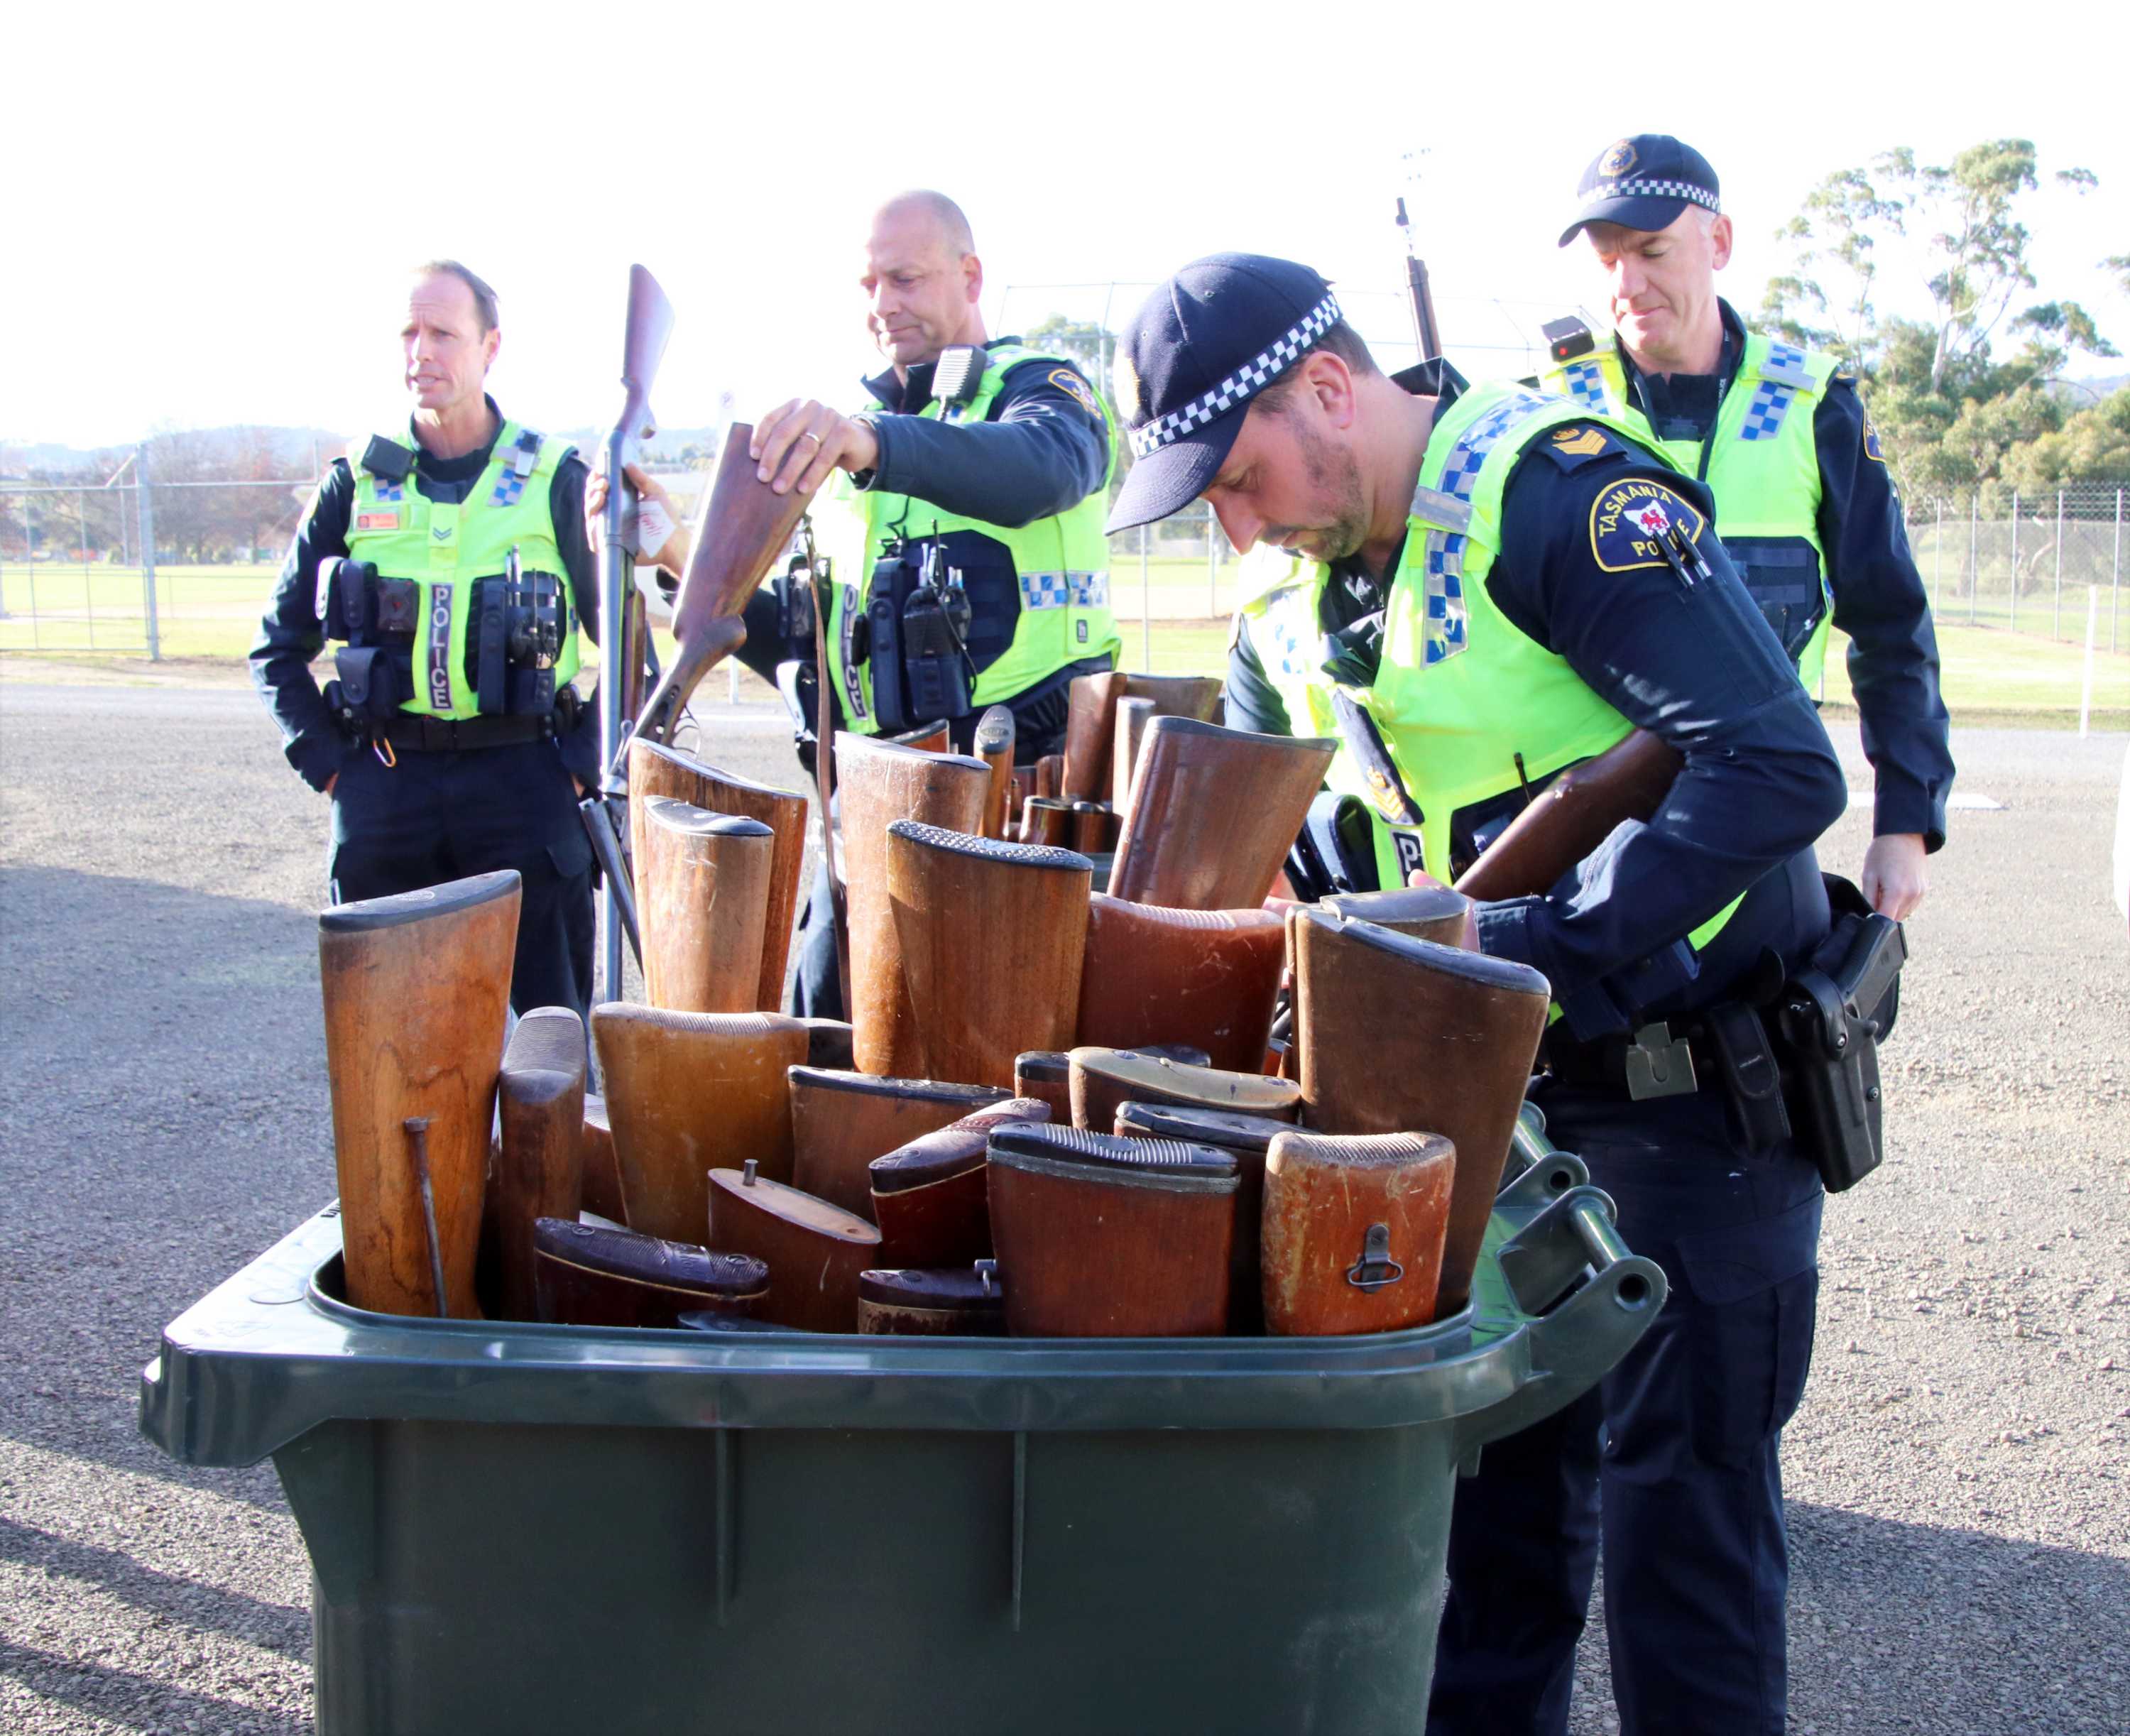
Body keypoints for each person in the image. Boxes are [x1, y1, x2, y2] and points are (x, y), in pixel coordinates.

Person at [1104, 252, 1855, 1736]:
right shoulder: (1287, 601)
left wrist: (1528, 948)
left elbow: (1777, 765)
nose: (1237, 521)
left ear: (1329, 386)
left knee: (1684, 1571)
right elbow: (1292, 858)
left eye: (1241, 475)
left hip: (1686, 1102)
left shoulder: (1557, 493)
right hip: (1480, 1130)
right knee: (1481, 1571)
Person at [601, 189, 1120, 1016]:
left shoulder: (1045, 391)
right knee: (820, 1044)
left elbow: (1043, 468)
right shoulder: (854, 435)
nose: (884, 305)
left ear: (971, 274)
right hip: (866, 810)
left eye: (906, 279)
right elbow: (808, 647)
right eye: (870, 284)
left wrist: (873, 443)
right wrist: (669, 541)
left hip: (1020, 808)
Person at [1546, 133, 1954, 919]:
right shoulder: (1544, 408)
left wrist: (1905, 821)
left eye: (1654, 250)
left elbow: (1891, 624)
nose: (1629, 282)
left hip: (1755, 823)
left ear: (1719, 241)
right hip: (1584, 834)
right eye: (1608, 260)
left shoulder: (1813, 406)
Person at [252, 259, 599, 1021]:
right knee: (387, 1046)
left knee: (552, 1048)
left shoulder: (555, 479)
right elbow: (276, 648)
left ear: (490, 347)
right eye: (409, 332)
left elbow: (634, 651)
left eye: (443, 332)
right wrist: (335, 771)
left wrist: (576, 770)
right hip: (387, 786)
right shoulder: (355, 481)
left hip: (524, 784)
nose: (421, 352)